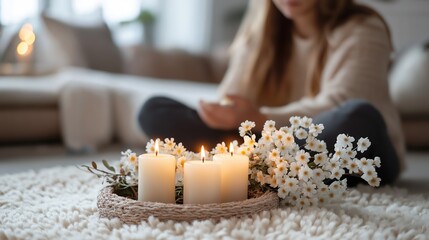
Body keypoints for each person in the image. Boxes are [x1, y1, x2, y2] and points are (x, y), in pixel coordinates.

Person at [138, 0, 405, 185]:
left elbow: (340, 103)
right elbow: (231, 102)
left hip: (357, 148)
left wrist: (257, 117)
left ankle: (255, 168)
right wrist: (221, 113)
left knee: (357, 117)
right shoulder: (260, 31)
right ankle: (272, 172)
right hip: (275, 142)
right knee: (155, 110)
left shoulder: (363, 27)